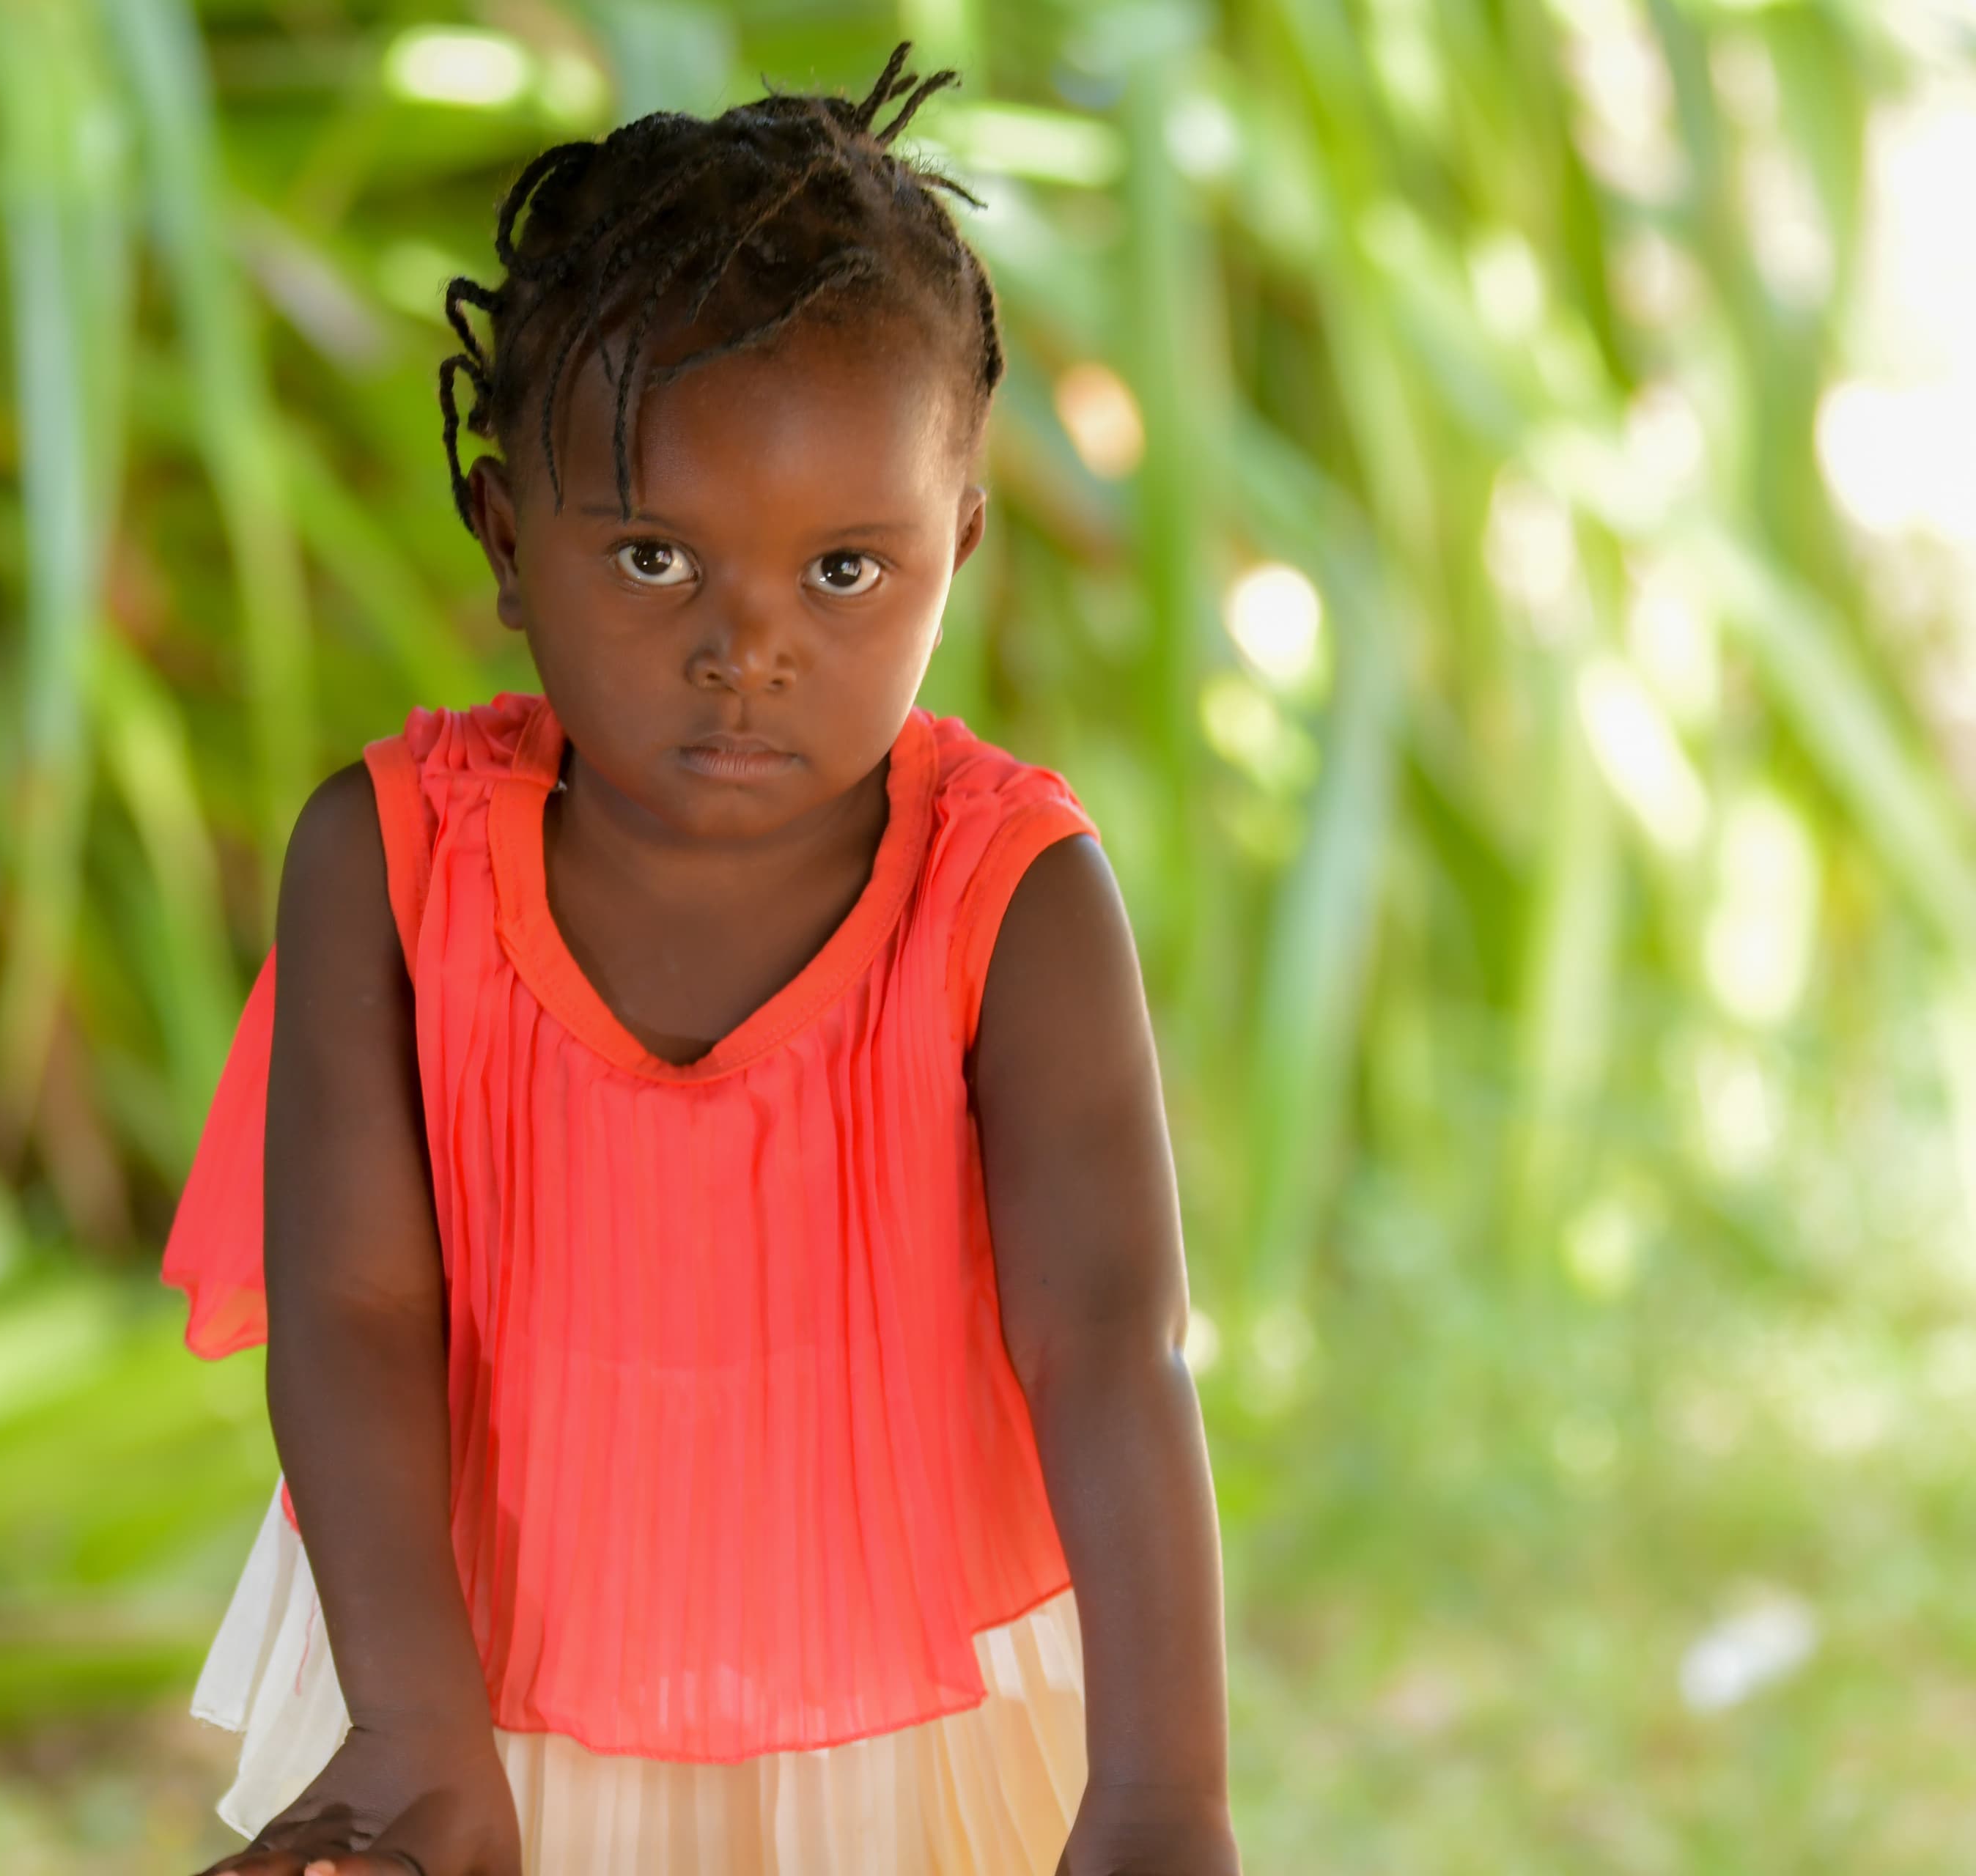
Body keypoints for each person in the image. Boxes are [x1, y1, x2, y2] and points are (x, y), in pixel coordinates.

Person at [163, 43, 1239, 1876]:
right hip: (481, 1686)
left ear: (955, 549)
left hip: (914, 1713)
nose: (749, 649)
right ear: (509, 536)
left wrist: (1156, 1792)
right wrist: (415, 1721)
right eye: (655, 556)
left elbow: (1108, 1343)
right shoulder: (391, 861)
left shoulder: (1015, 900)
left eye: (844, 572)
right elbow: (351, 1307)